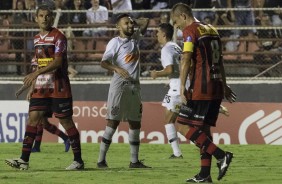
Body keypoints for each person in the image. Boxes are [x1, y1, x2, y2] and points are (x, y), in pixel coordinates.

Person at [5, 4, 84, 170]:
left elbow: (57, 62)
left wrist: (35, 74)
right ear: (36, 18)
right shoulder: (36, 39)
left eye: (47, 16)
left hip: (58, 85)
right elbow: (36, 63)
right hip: (41, 87)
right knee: (33, 118)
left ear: (51, 17)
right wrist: (31, 86)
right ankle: (24, 160)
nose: (44, 18)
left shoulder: (59, 37)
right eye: (41, 16)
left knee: (66, 121)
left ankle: (78, 161)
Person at [170, 3, 236, 183]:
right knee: (203, 130)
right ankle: (205, 174)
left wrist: (182, 87)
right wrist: (225, 85)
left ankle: (221, 155)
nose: (177, 27)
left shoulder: (190, 31)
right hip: (216, 87)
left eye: (176, 22)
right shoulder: (212, 29)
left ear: (183, 16)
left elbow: (185, 59)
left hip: (201, 87)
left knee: (182, 126)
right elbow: (220, 61)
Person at [97, 13, 150, 169]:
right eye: (126, 23)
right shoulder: (115, 42)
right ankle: (101, 160)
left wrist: (133, 21)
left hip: (135, 85)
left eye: (131, 23)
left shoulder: (135, 38)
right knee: (113, 122)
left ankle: (134, 161)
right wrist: (116, 68)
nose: (130, 26)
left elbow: (145, 20)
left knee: (135, 122)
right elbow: (104, 62)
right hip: (120, 85)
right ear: (118, 27)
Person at [150, 23, 185, 159]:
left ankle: (177, 153)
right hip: (180, 85)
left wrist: (156, 74)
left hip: (177, 89)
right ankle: (177, 153)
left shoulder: (166, 49)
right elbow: (178, 68)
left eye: (158, 32)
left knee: (170, 121)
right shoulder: (176, 46)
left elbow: (170, 69)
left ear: (164, 34)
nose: (156, 35)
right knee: (173, 120)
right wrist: (170, 81)